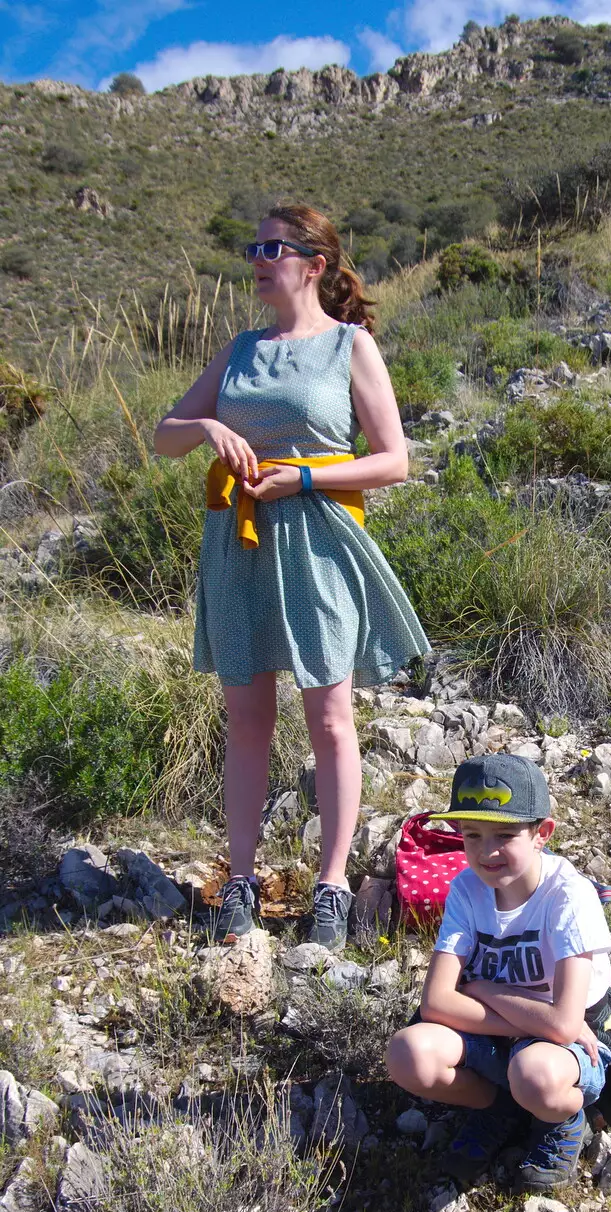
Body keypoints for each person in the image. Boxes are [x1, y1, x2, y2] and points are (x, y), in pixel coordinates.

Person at [154, 203, 428, 949]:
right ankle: (240, 881)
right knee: (246, 720)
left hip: (317, 538)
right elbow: (164, 436)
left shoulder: (349, 347)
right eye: (254, 245)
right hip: (237, 543)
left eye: (273, 246)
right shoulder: (240, 349)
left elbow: (393, 459)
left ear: (313, 263)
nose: (257, 256)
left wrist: (303, 477)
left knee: (330, 721)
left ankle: (332, 888)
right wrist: (208, 426)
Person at [386, 753, 611, 1191]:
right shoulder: (467, 889)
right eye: (472, 835)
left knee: (537, 1076)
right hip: (513, 1030)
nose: (487, 851)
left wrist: (482, 987)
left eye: (506, 835)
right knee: (407, 1054)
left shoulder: (568, 896)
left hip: (566, 1045)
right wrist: (533, 1021)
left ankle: (562, 1119)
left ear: (541, 833)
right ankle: (499, 1109)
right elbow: (435, 1003)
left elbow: (567, 1024)